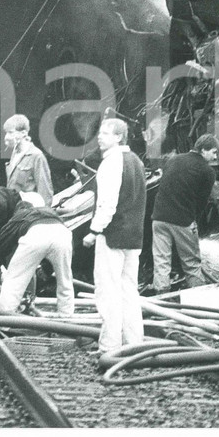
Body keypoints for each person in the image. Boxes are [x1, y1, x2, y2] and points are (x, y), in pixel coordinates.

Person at [82, 118, 147, 354]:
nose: (100, 137)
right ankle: (134, 344)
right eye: (99, 132)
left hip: (112, 236)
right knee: (129, 291)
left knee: (108, 292)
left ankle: (109, 346)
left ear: (119, 137)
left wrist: (94, 231)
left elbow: (107, 204)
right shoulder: (136, 161)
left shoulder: (111, 162)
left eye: (106, 133)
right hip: (133, 237)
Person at [149, 134, 219, 293]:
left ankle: (162, 297)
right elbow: (202, 203)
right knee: (192, 264)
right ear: (203, 150)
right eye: (214, 152)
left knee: (161, 261)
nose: (215, 157)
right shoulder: (207, 171)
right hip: (182, 220)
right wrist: (193, 222)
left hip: (158, 218)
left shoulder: (174, 160)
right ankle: (199, 300)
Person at [0, 196, 74, 317]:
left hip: (36, 234)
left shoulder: (17, 218)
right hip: (63, 234)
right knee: (65, 280)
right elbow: (64, 247)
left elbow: (0, 249)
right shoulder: (48, 213)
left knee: (14, 280)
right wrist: (47, 270)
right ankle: (66, 318)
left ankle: (4, 320)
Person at [3, 114, 54, 207]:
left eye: (10, 132)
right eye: (6, 133)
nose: (6, 137)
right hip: (16, 210)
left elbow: (45, 192)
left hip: (30, 211)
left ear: (23, 133)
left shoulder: (36, 156)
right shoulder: (15, 153)